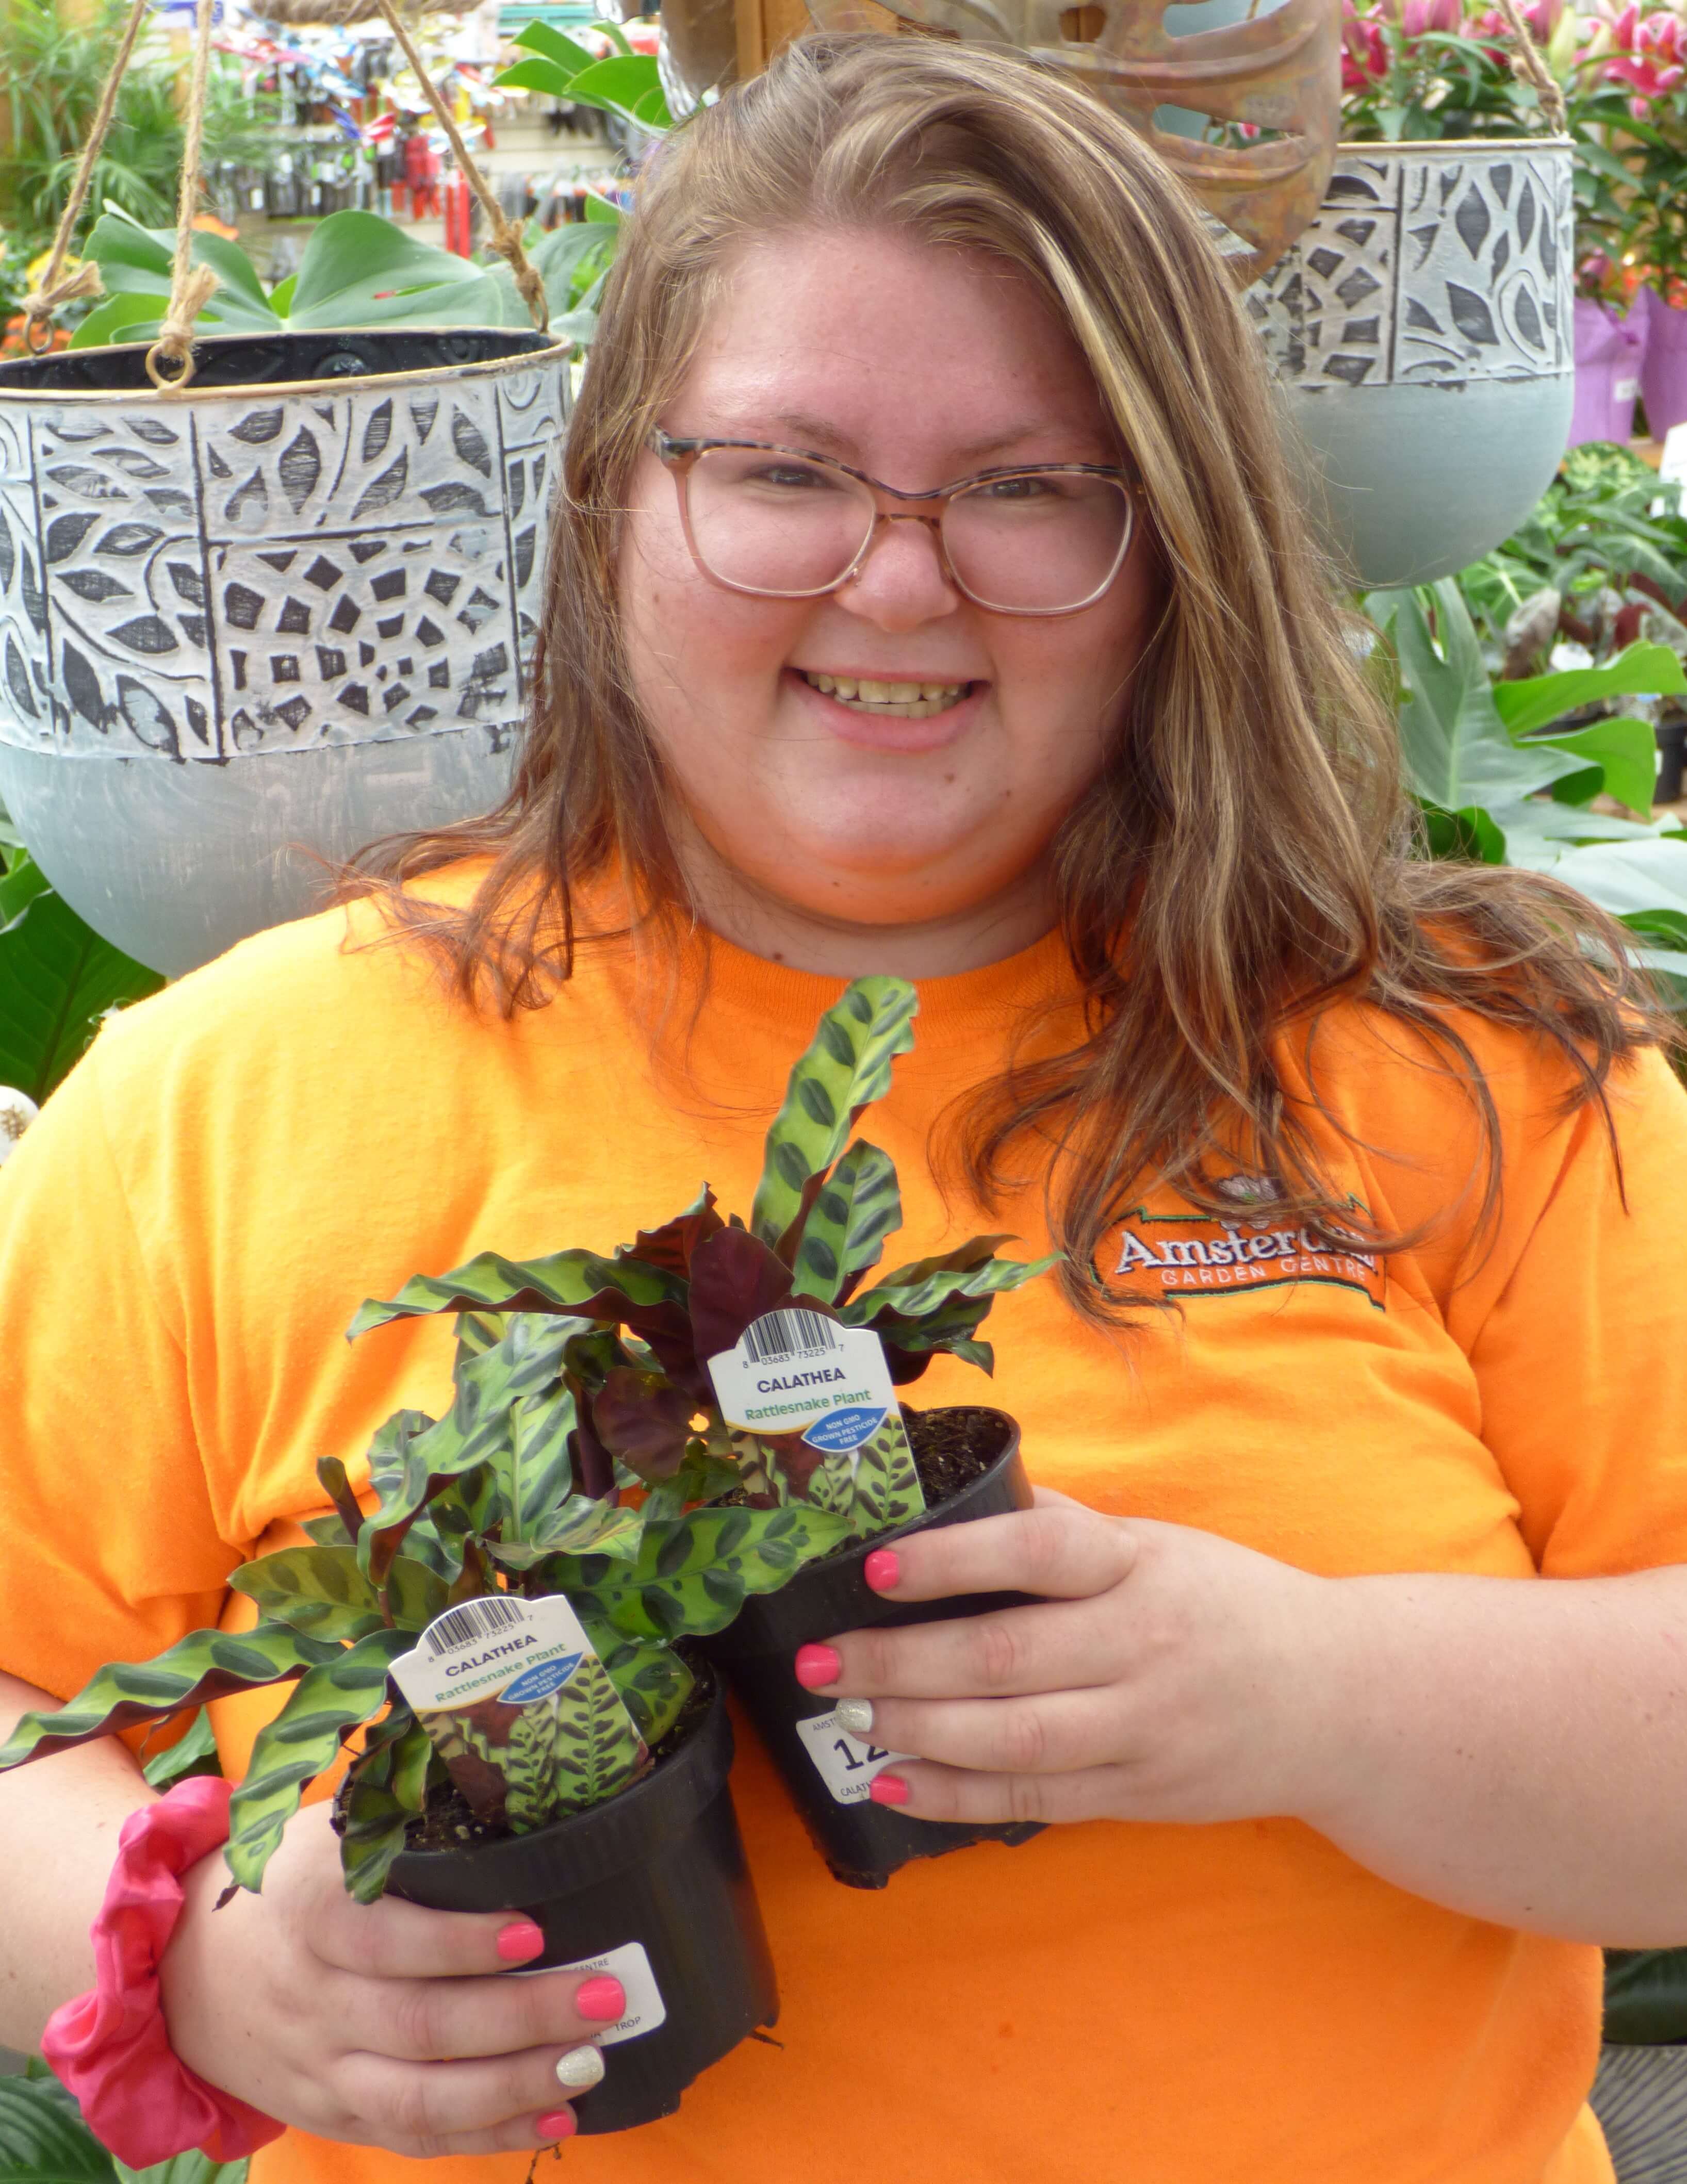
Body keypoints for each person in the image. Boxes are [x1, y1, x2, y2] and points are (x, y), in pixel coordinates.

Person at [3, 32, 1685, 2184]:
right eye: (785, 472)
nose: (897, 580)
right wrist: (203, 1962)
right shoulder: (228, 1099)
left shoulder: (1469, 1065)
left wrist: (1309, 1689)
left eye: (1023, 484)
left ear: (1171, 541)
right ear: (619, 498)